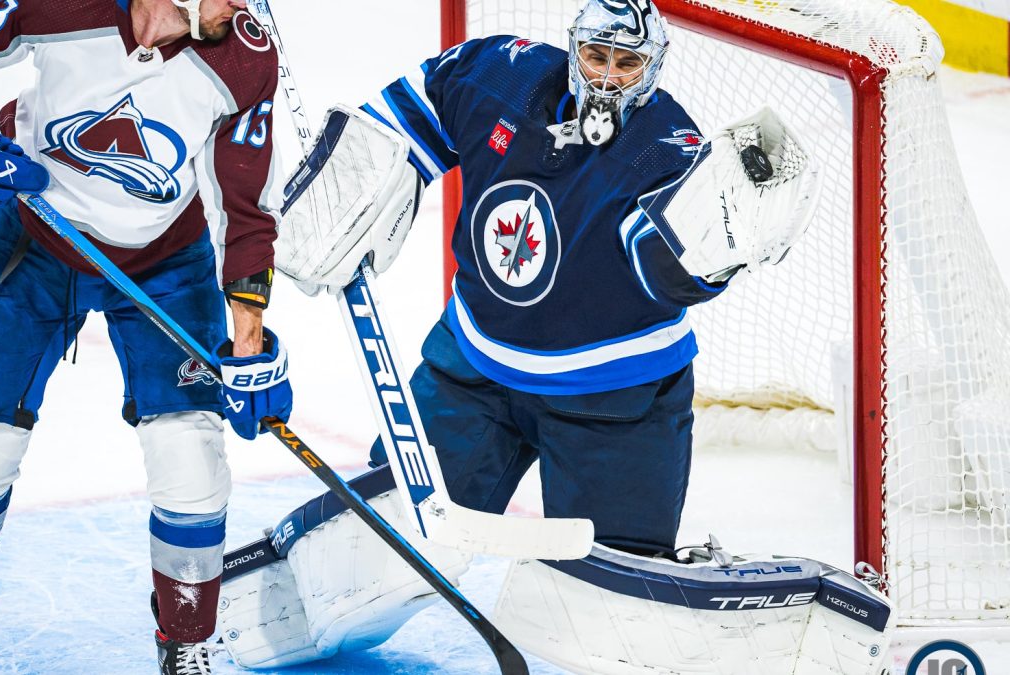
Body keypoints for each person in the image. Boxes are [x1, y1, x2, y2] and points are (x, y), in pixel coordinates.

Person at [213, 1, 893, 673]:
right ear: (573, 50)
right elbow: (424, 100)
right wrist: (357, 173)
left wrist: (725, 232)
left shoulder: (669, 154)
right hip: (473, 372)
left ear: (653, 67)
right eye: (596, 57)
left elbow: (670, 268)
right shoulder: (498, 76)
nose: (607, 77)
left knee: (609, 609)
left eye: (627, 64)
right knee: (387, 540)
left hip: (617, 403)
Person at [0, 1, 293, 673]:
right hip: (35, 239)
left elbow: (245, 206)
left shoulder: (244, 57)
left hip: (166, 259)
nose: (247, 5)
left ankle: (186, 636)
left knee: (190, 454)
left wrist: (248, 342)